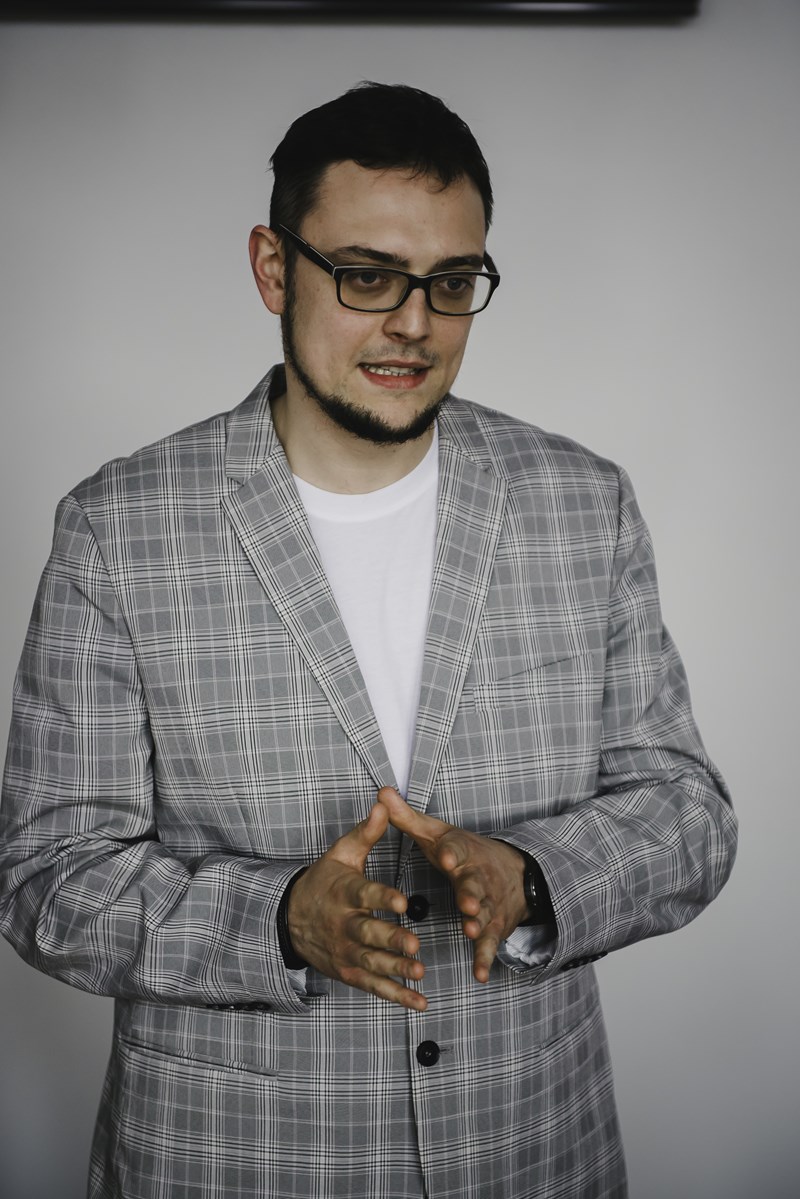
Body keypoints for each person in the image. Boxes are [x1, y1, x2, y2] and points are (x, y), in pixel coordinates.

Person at [0, 82, 737, 1199]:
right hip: (231, 1165)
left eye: (452, 283)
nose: (413, 323)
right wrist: (278, 920)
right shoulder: (118, 527)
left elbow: (687, 813)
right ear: (272, 268)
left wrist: (533, 876)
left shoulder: (583, 503)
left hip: (531, 1150)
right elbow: (47, 877)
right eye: (366, 275)